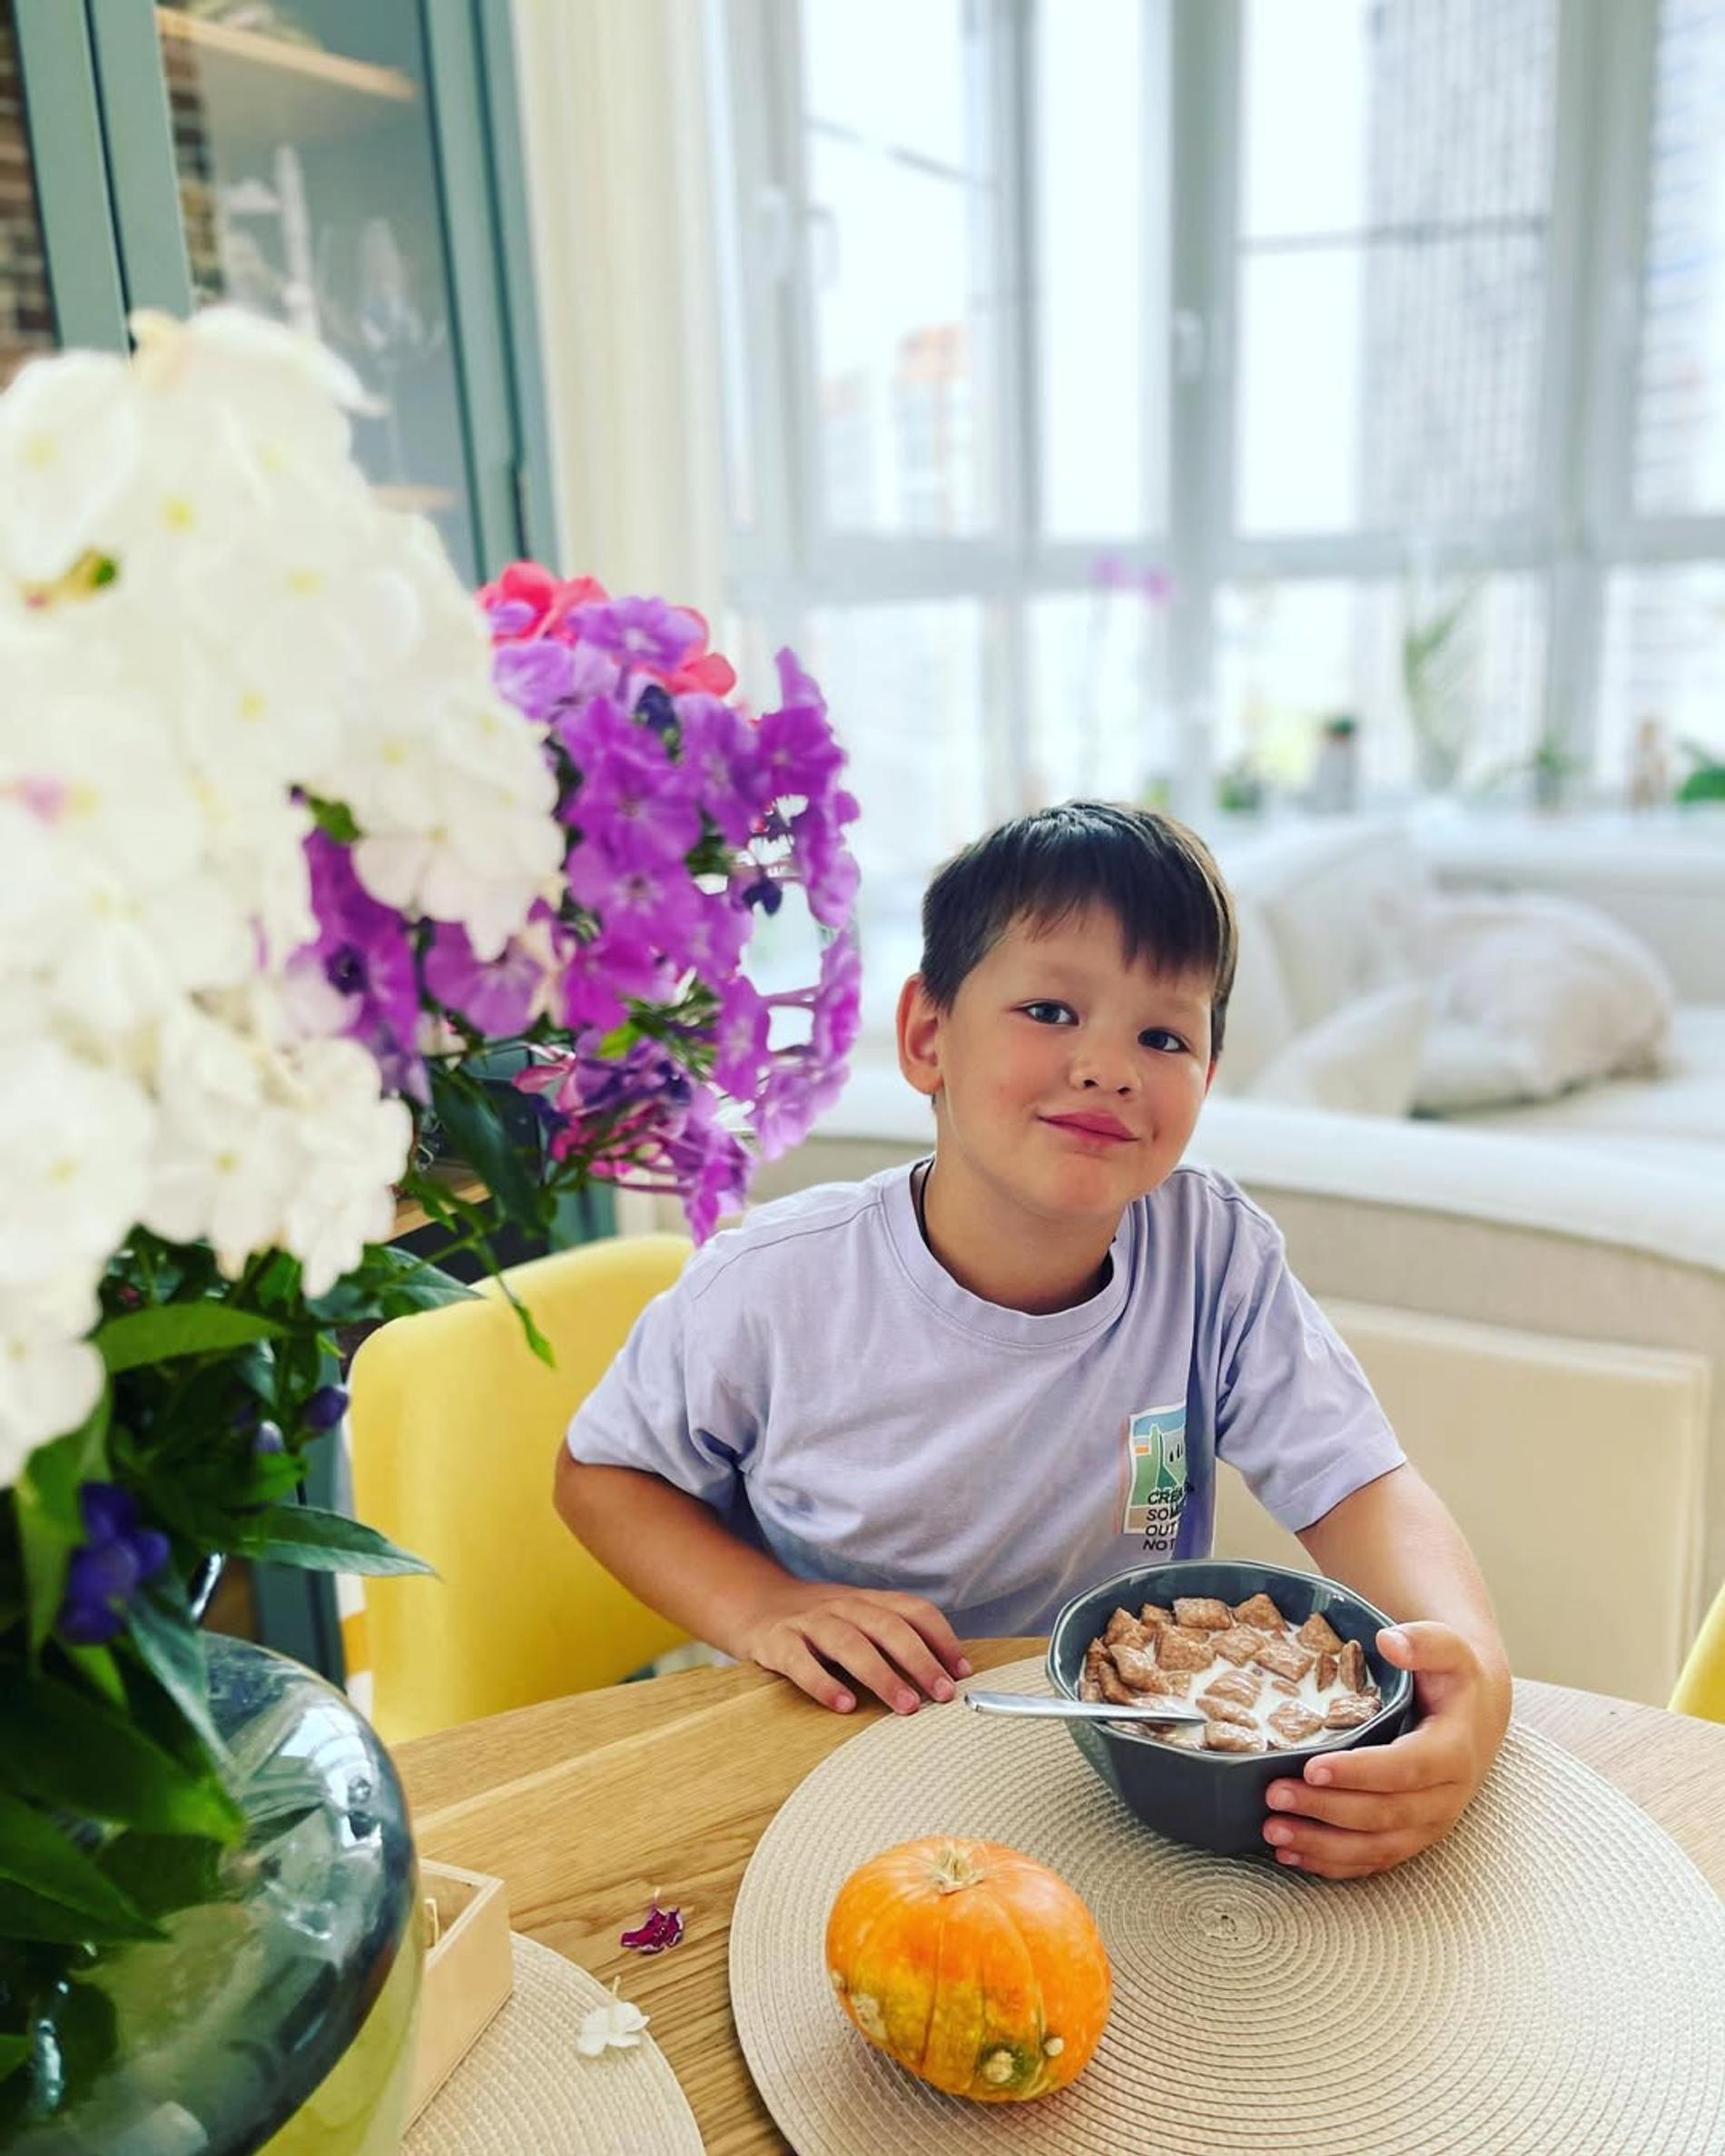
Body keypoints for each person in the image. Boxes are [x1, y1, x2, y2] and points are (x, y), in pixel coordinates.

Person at [555, 801, 1510, 1878]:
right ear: (927, 1036)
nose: (1108, 1065)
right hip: (826, 1748)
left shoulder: (1212, 1252)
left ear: (1205, 1077)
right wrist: (763, 1605)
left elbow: (1359, 1486)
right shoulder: (774, 1280)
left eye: (1163, 1036)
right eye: (1050, 1009)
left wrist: (1472, 1681)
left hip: (1104, 1776)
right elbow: (602, 1475)